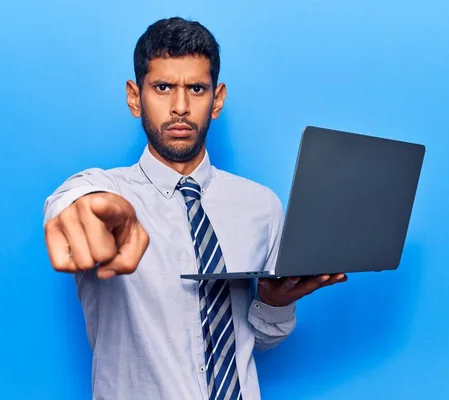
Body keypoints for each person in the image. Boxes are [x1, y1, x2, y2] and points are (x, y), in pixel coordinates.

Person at [43, 17, 347, 400]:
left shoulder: (261, 205)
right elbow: (74, 200)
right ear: (135, 97)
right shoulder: (107, 190)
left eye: (197, 89)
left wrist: (275, 302)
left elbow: (253, 343)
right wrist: (83, 209)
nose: (181, 107)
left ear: (216, 99)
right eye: (163, 87)